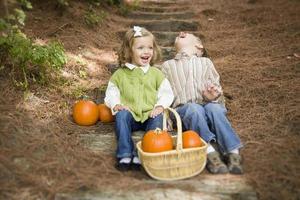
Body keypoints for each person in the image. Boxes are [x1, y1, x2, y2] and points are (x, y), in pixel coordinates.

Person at [161, 32, 243, 174]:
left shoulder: (206, 62)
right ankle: (209, 152)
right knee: (193, 108)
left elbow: (216, 86)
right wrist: (166, 119)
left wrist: (213, 96)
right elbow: (163, 94)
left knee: (214, 109)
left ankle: (233, 152)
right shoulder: (168, 65)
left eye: (188, 35)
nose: (182, 33)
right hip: (183, 109)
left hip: (207, 104)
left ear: (199, 47)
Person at [104, 26, 174, 171]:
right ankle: (125, 153)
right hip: (130, 114)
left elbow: (166, 93)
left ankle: (141, 154)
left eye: (150, 47)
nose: (146, 51)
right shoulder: (120, 74)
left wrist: (160, 106)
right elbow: (111, 92)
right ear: (129, 51)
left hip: (150, 114)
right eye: (141, 48)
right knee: (121, 116)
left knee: (158, 119)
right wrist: (116, 104)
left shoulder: (156, 74)